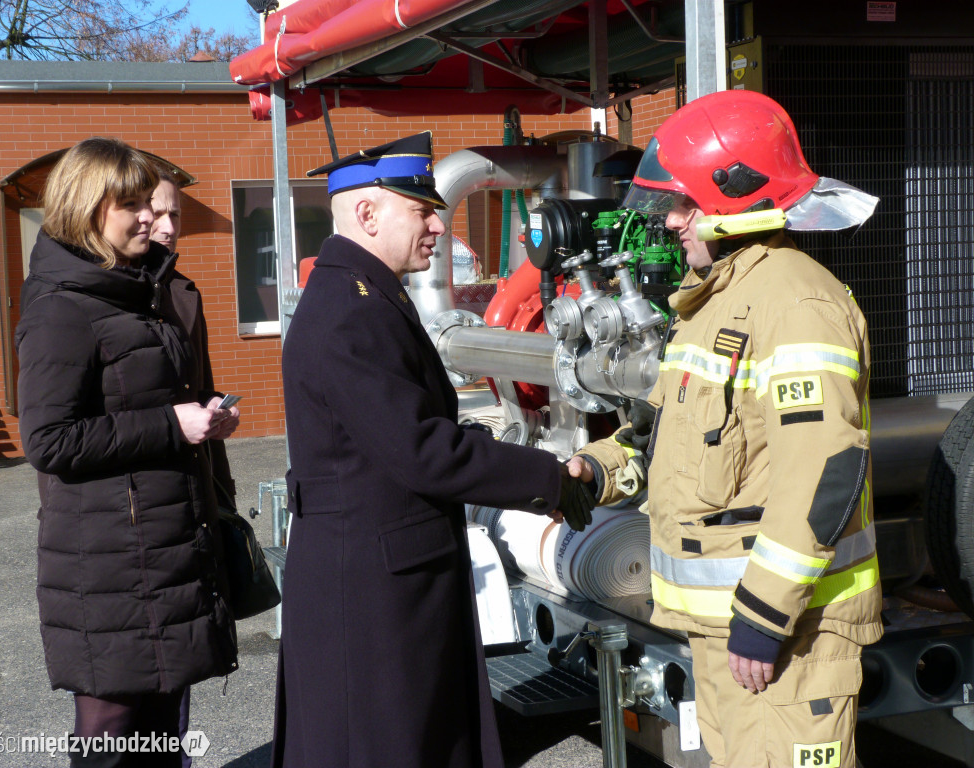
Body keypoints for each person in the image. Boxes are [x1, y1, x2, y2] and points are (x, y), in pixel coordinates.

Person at [568, 90, 882, 768]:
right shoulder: (710, 305)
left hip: (786, 639)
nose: (673, 221)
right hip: (721, 633)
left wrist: (765, 617)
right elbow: (659, 437)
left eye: (683, 203)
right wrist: (594, 471)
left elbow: (824, 472)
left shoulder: (797, 303)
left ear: (736, 197)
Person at [272, 131, 596, 768]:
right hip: (371, 585)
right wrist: (551, 477)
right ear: (367, 214)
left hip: (378, 570)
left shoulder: (362, 294)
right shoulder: (351, 310)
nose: (438, 224)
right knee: (388, 744)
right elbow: (422, 450)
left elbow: (395, 434)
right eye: (420, 210)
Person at [16, 137, 241, 768]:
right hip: (111, 560)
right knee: (112, 737)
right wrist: (173, 425)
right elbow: (49, 440)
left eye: (153, 202)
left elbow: (138, 402)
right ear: (88, 206)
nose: (152, 217)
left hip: (161, 545)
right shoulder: (63, 307)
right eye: (134, 203)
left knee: (162, 734)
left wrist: (202, 417)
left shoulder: (134, 292)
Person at [148, 169, 238, 768]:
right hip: (128, 512)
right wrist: (170, 423)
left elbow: (197, 390)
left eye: (175, 214)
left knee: (178, 666)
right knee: (120, 698)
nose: (167, 227)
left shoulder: (183, 292)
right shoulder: (80, 300)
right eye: (156, 212)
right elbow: (54, 435)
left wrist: (214, 425)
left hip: (189, 500)